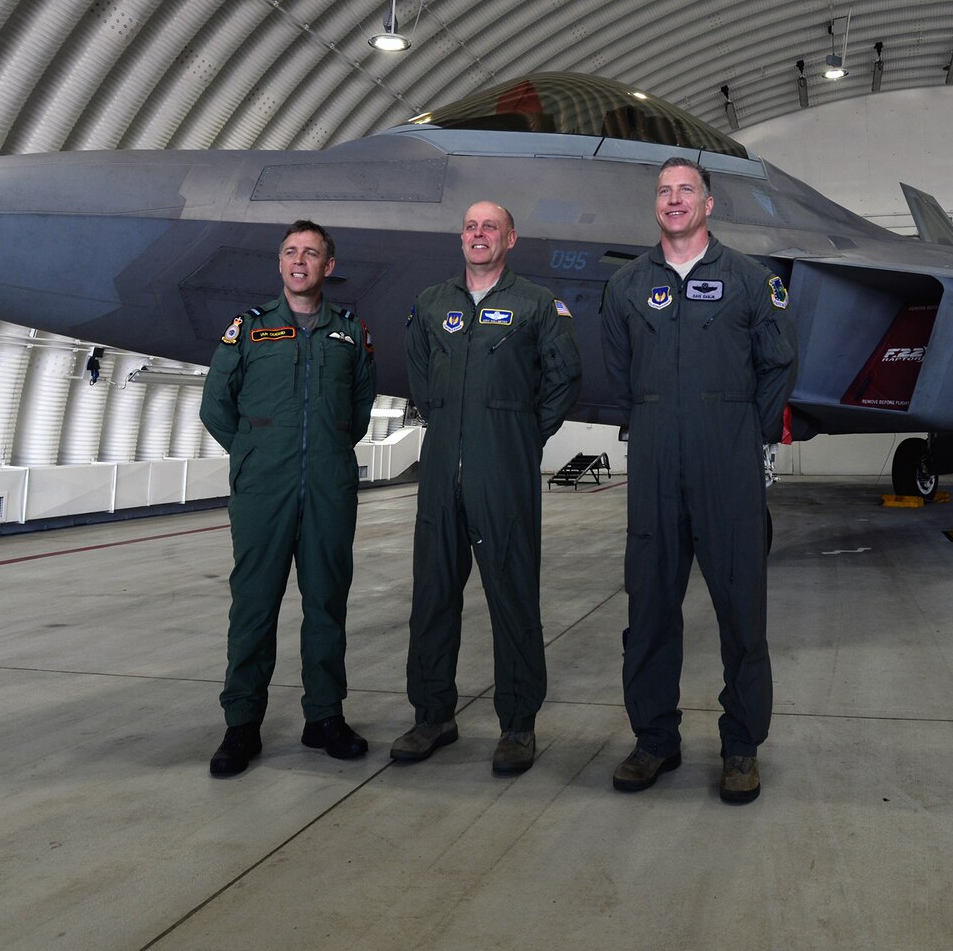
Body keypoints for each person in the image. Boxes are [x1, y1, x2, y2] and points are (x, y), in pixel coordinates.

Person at [601, 157, 796, 805]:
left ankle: (741, 745)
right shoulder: (627, 285)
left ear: (709, 204)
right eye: (664, 190)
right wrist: (658, 420)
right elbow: (618, 368)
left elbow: (779, 363)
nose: (675, 199)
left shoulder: (748, 281)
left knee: (742, 611)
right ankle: (655, 737)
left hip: (727, 466)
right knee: (649, 607)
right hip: (655, 461)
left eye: (687, 190)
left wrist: (741, 431)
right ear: (655, 204)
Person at [391, 201, 582, 775]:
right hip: (441, 470)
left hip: (504, 471)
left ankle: (518, 725)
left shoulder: (537, 304)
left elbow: (564, 378)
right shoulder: (432, 303)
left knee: (513, 596)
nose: (479, 235)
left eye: (490, 227)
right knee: (432, 597)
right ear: (463, 237)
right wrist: (452, 423)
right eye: (471, 227)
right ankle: (432, 716)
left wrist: (518, 434)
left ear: (511, 238)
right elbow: (422, 378)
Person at [199, 221, 377, 777]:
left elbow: (361, 409)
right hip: (263, 490)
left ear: (329, 266)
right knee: (254, 606)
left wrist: (321, 450)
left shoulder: (349, 332)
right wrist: (255, 453)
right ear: (280, 265)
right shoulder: (248, 329)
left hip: (328, 486)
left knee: (327, 604)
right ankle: (242, 724)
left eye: (312, 254)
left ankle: (323, 717)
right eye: (291, 253)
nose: (300, 261)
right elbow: (215, 407)